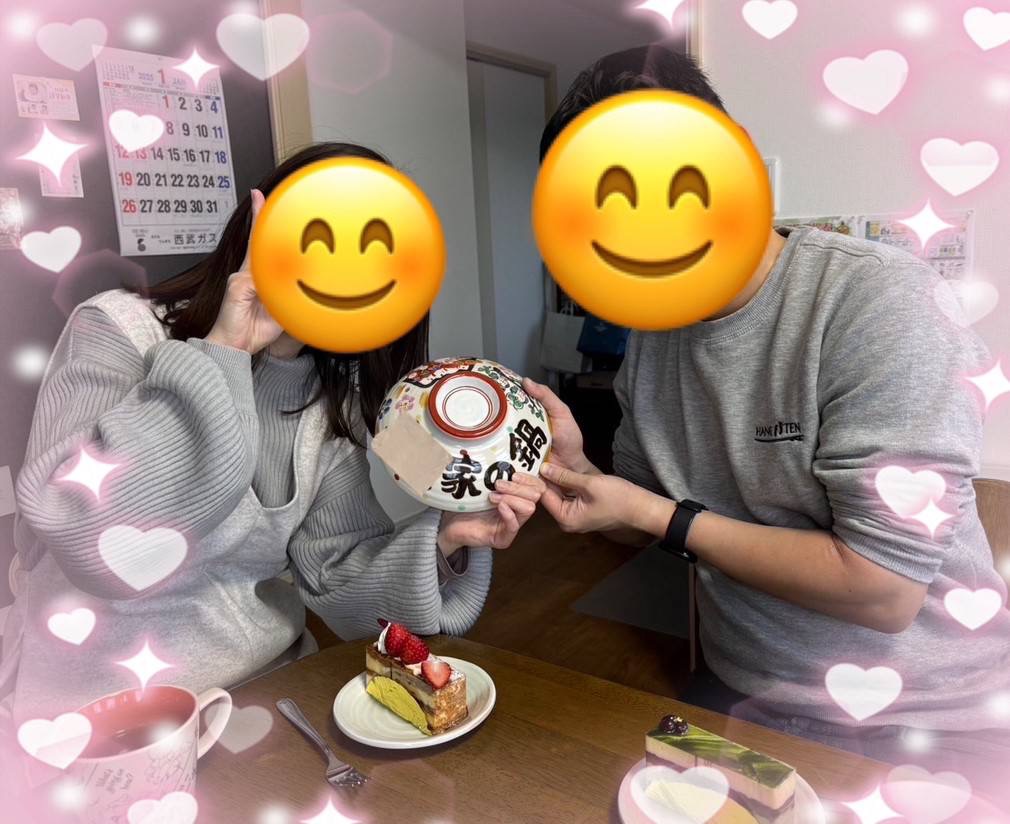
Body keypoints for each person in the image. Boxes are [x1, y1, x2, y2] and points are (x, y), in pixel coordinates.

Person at [524, 45, 1010, 804]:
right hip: (742, 693)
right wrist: (583, 477)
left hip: (931, 718)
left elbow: (885, 589)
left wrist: (659, 515)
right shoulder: (653, 333)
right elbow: (640, 518)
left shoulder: (877, 302)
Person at [0, 142, 544, 733]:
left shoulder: (331, 401)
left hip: (267, 701)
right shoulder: (116, 329)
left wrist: (447, 536)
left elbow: (338, 578)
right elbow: (96, 543)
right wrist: (228, 347)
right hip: (99, 719)